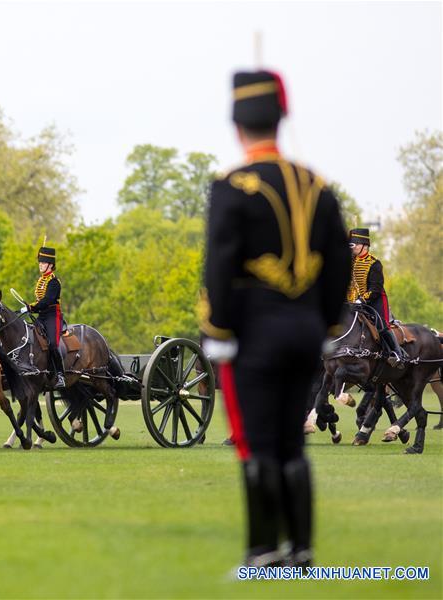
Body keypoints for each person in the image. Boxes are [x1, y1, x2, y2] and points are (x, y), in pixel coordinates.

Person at [200, 70, 351, 567]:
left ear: (237, 126)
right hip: (306, 332)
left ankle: (263, 549)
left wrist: (219, 330)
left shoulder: (231, 186)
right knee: (292, 444)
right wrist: (326, 326)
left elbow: (220, 265)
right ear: (281, 118)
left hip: (255, 333)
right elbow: (339, 263)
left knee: (259, 442)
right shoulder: (316, 185)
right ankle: (302, 548)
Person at [347, 228, 405, 366]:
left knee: (381, 324)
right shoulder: (349, 262)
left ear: (364, 246)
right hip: (353, 301)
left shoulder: (374, 263)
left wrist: (362, 300)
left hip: (374, 300)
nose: (352, 248)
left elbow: (376, 288)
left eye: (354, 244)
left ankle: (396, 354)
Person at [22, 244, 66, 389]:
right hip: (42, 315)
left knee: (52, 344)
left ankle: (60, 374)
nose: (40, 265)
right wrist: (31, 308)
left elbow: (47, 300)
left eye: (43, 262)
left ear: (50, 265)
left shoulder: (54, 282)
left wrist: (32, 307)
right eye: (40, 262)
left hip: (53, 315)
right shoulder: (41, 280)